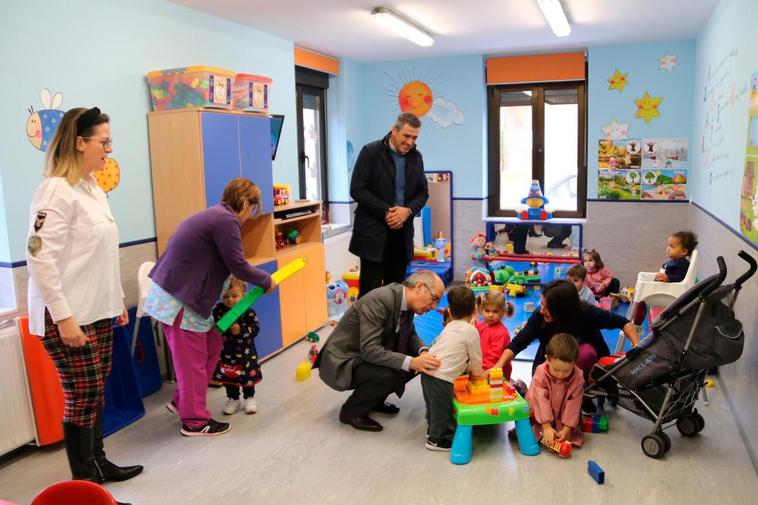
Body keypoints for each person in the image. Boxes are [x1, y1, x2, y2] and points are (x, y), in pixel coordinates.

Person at [25, 107, 142, 499]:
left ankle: (99, 463)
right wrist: (65, 318)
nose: (109, 149)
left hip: (97, 311)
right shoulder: (55, 190)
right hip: (66, 316)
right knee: (81, 394)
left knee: (96, 391)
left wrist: (116, 304)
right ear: (80, 143)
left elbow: (99, 255)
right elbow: (40, 257)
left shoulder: (91, 187)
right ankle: (85, 486)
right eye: (103, 142)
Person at [144, 177, 276, 437]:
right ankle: (194, 421)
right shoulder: (226, 220)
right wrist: (266, 279)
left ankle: (183, 401)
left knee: (213, 344)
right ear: (245, 203)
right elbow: (237, 264)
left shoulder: (217, 217)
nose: (250, 215)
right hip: (179, 300)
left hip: (184, 297)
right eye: (252, 208)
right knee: (191, 361)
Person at [314, 270, 444, 432]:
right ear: (419, 287)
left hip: (362, 353)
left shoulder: (406, 301)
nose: (434, 307)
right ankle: (351, 411)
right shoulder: (380, 300)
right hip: (343, 360)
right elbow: (370, 350)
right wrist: (412, 361)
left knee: (418, 363)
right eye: (435, 299)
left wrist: (423, 352)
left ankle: (374, 400)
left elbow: (409, 334)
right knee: (394, 371)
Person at [491, 280, 639, 415]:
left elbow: (623, 322)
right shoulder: (540, 316)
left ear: (563, 309)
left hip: (583, 364)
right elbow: (519, 341)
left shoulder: (586, 313)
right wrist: (498, 365)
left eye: (547, 307)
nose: (542, 310)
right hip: (551, 362)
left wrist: (636, 346)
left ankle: (582, 396)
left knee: (584, 354)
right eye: (541, 304)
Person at [349, 112, 429, 298]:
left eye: (414, 137)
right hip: (373, 235)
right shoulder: (371, 152)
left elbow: (423, 192)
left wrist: (407, 211)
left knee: (396, 293)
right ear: (394, 129)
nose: (410, 142)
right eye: (406, 136)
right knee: (370, 293)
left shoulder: (416, 157)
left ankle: (392, 328)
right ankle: (367, 328)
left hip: (401, 236)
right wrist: (389, 212)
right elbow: (357, 189)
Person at [421, 285, 483, 451]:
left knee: (433, 407)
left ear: (450, 310)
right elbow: (476, 357)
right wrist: (476, 374)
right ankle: (436, 439)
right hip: (442, 377)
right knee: (443, 410)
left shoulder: (449, 326)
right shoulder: (471, 331)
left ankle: (431, 431)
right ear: (474, 309)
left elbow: (438, 345)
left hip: (427, 371)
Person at [211, 277, 262, 416]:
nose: (230, 300)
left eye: (234, 296)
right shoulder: (219, 310)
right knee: (228, 375)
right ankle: (233, 398)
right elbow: (214, 325)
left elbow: (256, 329)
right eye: (225, 296)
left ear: (244, 296)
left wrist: (241, 330)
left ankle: (249, 398)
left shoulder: (248, 312)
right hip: (226, 351)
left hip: (246, 352)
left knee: (247, 375)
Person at [525, 333, 584, 448]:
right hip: (539, 410)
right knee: (533, 432)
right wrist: (546, 426)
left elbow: (574, 403)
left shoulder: (578, 376)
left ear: (575, 363)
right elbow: (540, 399)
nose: (561, 375)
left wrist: (567, 427)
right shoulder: (541, 372)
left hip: (561, 413)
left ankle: (559, 429)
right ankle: (544, 429)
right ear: (548, 360)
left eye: (566, 371)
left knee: (563, 434)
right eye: (556, 370)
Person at [631, 230, 698, 324]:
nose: (668, 249)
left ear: (683, 251)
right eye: (668, 246)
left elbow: (681, 278)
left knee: (641, 300)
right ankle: (636, 322)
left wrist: (668, 278)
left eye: (672, 246)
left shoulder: (682, 263)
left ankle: (637, 324)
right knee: (639, 298)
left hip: (669, 293)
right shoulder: (674, 261)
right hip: (663, 289)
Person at [474, 291, 514, 377]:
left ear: (503, 312)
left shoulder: (501, 333)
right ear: (481, 309)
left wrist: (483, 370)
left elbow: (494, 356)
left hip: (495, 374)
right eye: (487, 310)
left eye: (495, 312)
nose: (490, 315)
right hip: (480, 369)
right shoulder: (479, 326)